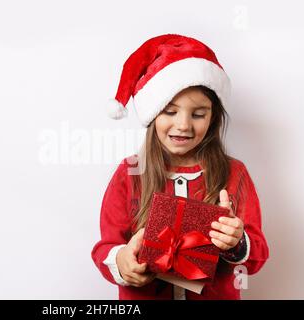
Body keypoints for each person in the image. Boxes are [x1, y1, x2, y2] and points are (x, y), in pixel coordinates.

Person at [91, 34, 269, 300]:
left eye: (198, 114)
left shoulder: (235, 174)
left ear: (213, 118)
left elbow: (256, 256)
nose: (184, 125)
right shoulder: (129, 174)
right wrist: (122, 260)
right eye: (170, 112)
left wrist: (236, 242)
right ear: (152, 113)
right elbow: (105, 247)